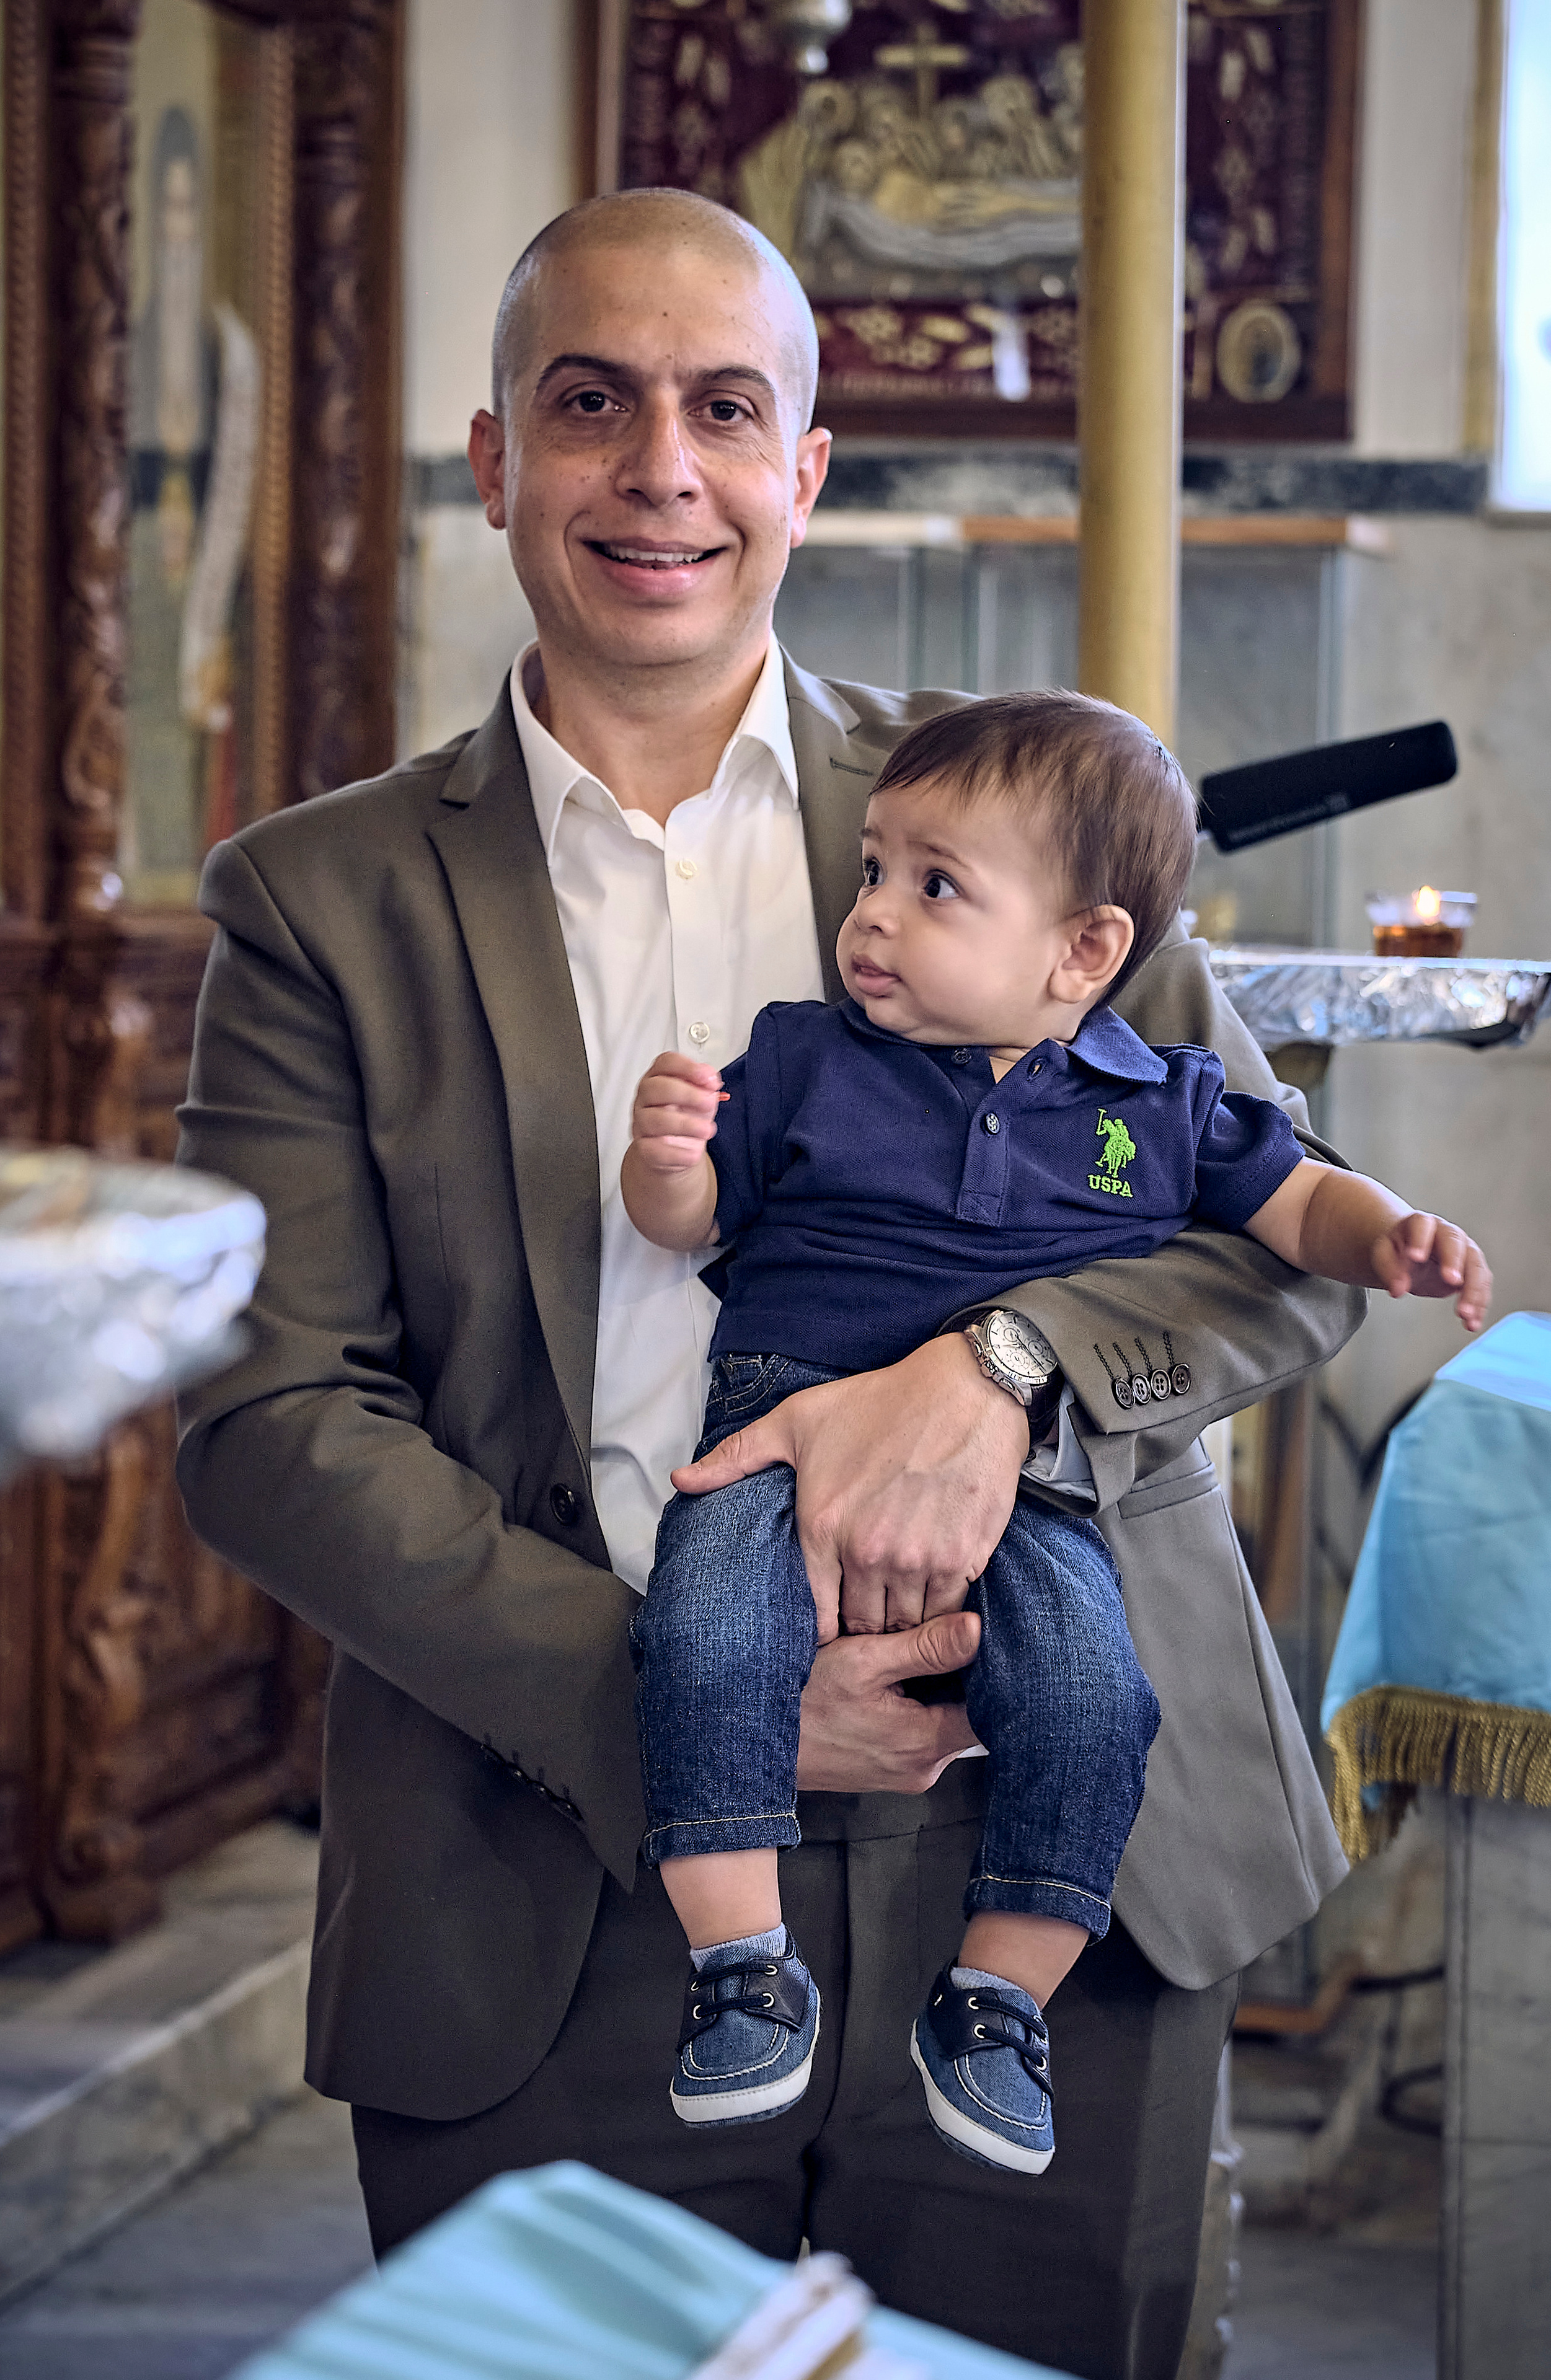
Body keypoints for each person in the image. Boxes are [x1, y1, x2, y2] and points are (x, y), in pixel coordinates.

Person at [176, 188, 1364, 2380]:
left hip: (1053, 1835)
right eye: (592, 405)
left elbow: (1276, 1239)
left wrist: (1003, 1364)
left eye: (728, 409)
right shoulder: (315, 901)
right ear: (495, 462)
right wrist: (671, 1702)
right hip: (559, 1865)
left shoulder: (1023, 808)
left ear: (807, 469)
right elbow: (267, 1420)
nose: (664, 469)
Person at [623, 690, 1490, 2172]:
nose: (876, 914)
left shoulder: (1154, 1100)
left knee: (1093, 1701)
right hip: (768, 1426)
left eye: (933, 886)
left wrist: (1389, 1235)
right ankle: (738, 1968)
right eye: (872, 874)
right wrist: (666, 1158)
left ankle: (997, 1996)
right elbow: (686, 1221)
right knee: (704, 1640)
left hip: (1036, 1477)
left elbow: (1290, 1205)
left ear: (1082, 952)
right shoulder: (804, 1057)